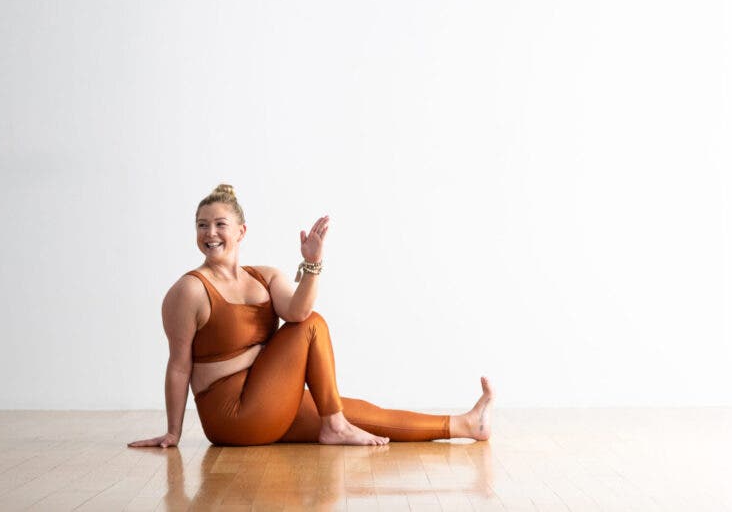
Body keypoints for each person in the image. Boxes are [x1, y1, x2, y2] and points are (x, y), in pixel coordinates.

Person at [129, 184, 494, 447]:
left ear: (241, 232)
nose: (210, 233)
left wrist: (313, 263)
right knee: (314, 328)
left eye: (220, 224)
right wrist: (173, 432)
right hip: (231, 417)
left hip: (268, 399)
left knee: (360, 412)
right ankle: (333, 425)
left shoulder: (265, 276)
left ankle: (465, 425)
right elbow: (179, 366)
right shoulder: (189, 290)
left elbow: (298, 310)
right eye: (202, 225)